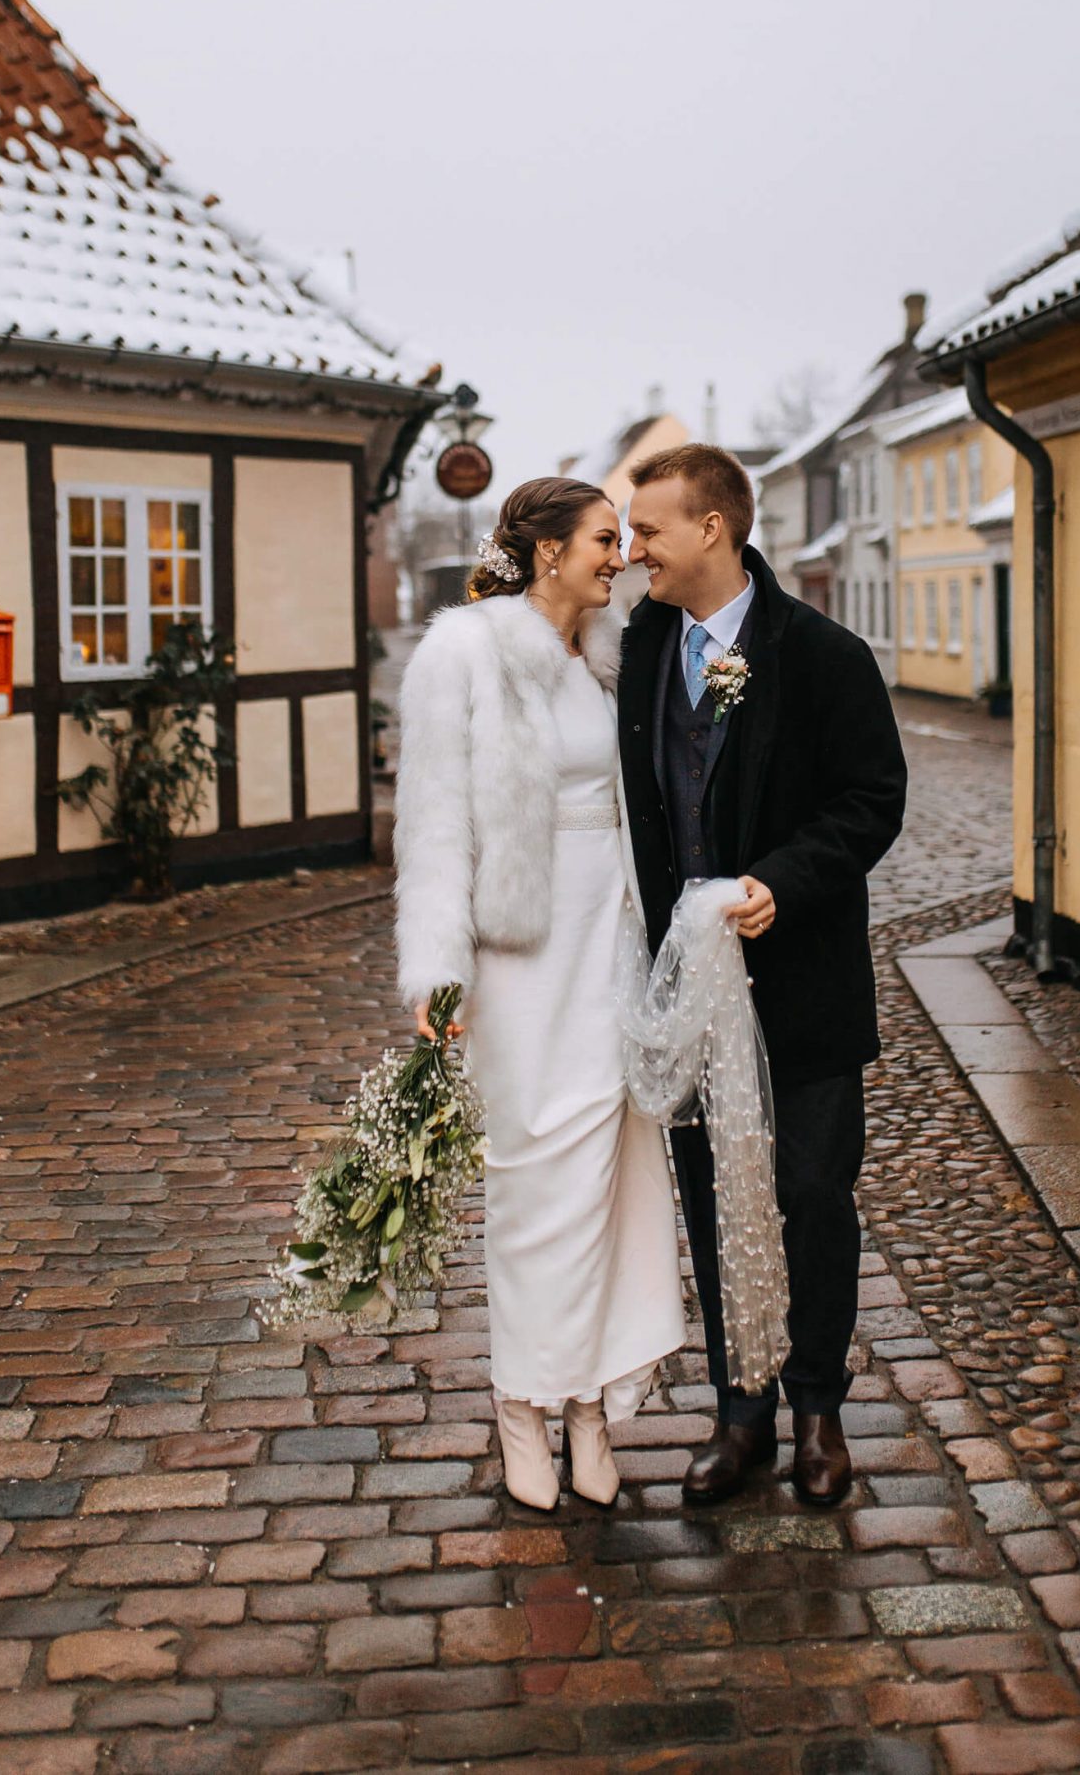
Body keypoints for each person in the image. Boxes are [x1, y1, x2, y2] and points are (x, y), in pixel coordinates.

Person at [619, 443, 907, 1507]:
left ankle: (818, 1413)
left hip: (804, 983)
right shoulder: (639, 652)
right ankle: (738, 1414)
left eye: (648, 529)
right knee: (710, 1197)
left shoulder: (825, 654)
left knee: (810, 1196)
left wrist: (783, 880)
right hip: (691, 991)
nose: (633, 550)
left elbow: (871, 801)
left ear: (712, 528)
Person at [393, 477, 687, 1512]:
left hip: (610, 946)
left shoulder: (611, 659)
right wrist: (438, 968)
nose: (622, 556)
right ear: (548, 550)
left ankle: (588, 1407)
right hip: (520, 959)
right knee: (534, 1191)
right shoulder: (462, 654)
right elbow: (433, 823)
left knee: (610, 1183)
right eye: (605, 539)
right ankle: (522, 1401)